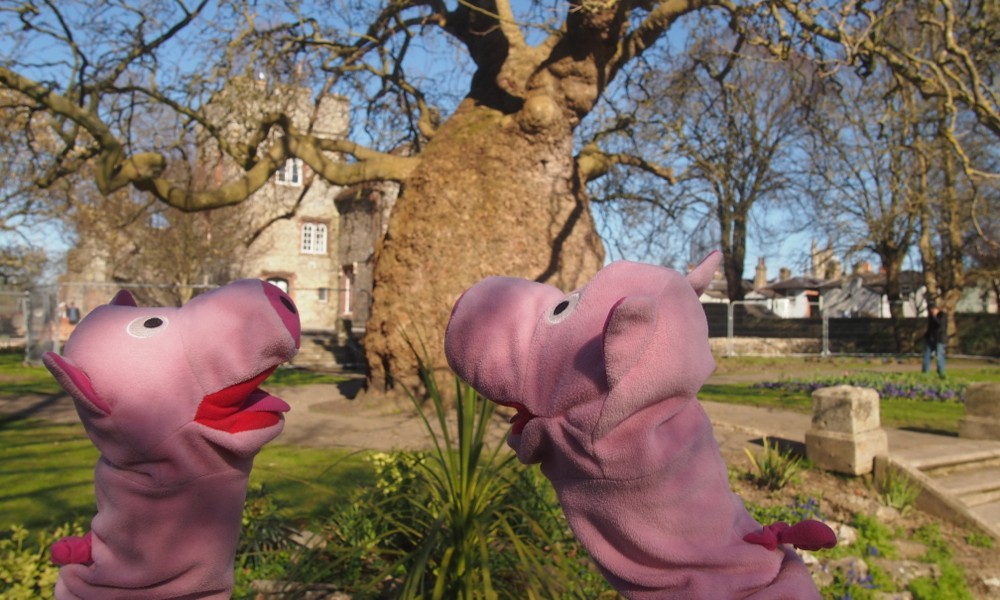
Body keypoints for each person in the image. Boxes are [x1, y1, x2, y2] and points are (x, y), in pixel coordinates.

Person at [922, 302, 947, 377]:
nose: (931, 311)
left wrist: (934, 317)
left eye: (933, 310)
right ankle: (925, 372)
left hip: (939, 339)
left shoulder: (942, 316)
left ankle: (941, 372)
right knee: (926, 355)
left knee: (939, 356)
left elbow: (940, 326)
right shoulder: (931, 317)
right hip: (931, 339)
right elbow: (930, 328)